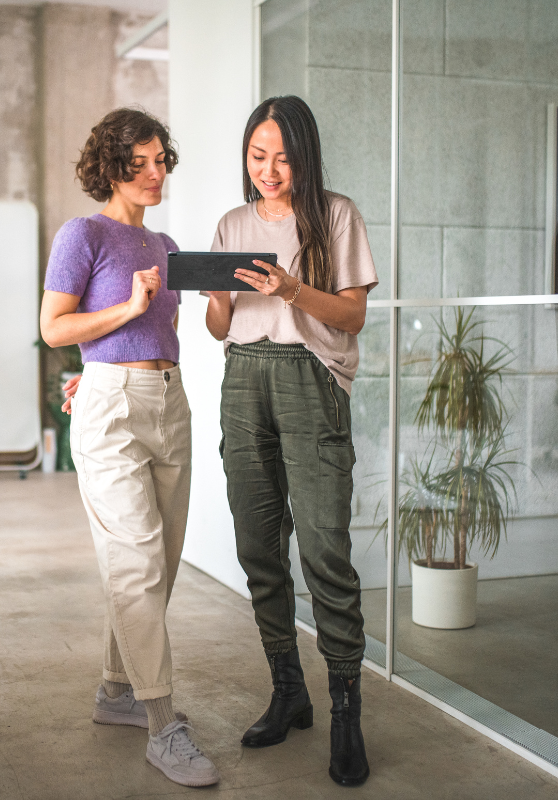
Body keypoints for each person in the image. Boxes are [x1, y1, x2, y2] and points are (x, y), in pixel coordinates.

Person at [39, 107, 219, 788]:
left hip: (171, 404)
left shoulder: (166, 244)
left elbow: (158, 336)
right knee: (137, 562)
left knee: (161, 564)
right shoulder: (82, 234)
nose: (154, 173)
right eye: (138, 162)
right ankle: (163, 725)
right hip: (113, 408)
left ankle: (116, 690)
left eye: (160, 159)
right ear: (109, 167)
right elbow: (54, 328)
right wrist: (124, 316)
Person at [205, 95, 378, 786]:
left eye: (281, 157)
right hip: (243, 379)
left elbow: (353, 316)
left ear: (303, 156)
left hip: (311, 380)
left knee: (327, 551)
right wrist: (215, 295)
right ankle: (288, 690)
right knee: (258, 545)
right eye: (257, 156)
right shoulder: (230, 223)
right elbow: (221, 327)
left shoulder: (336, 215)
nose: (269, 170)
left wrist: (291, 289)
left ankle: (345, 712)